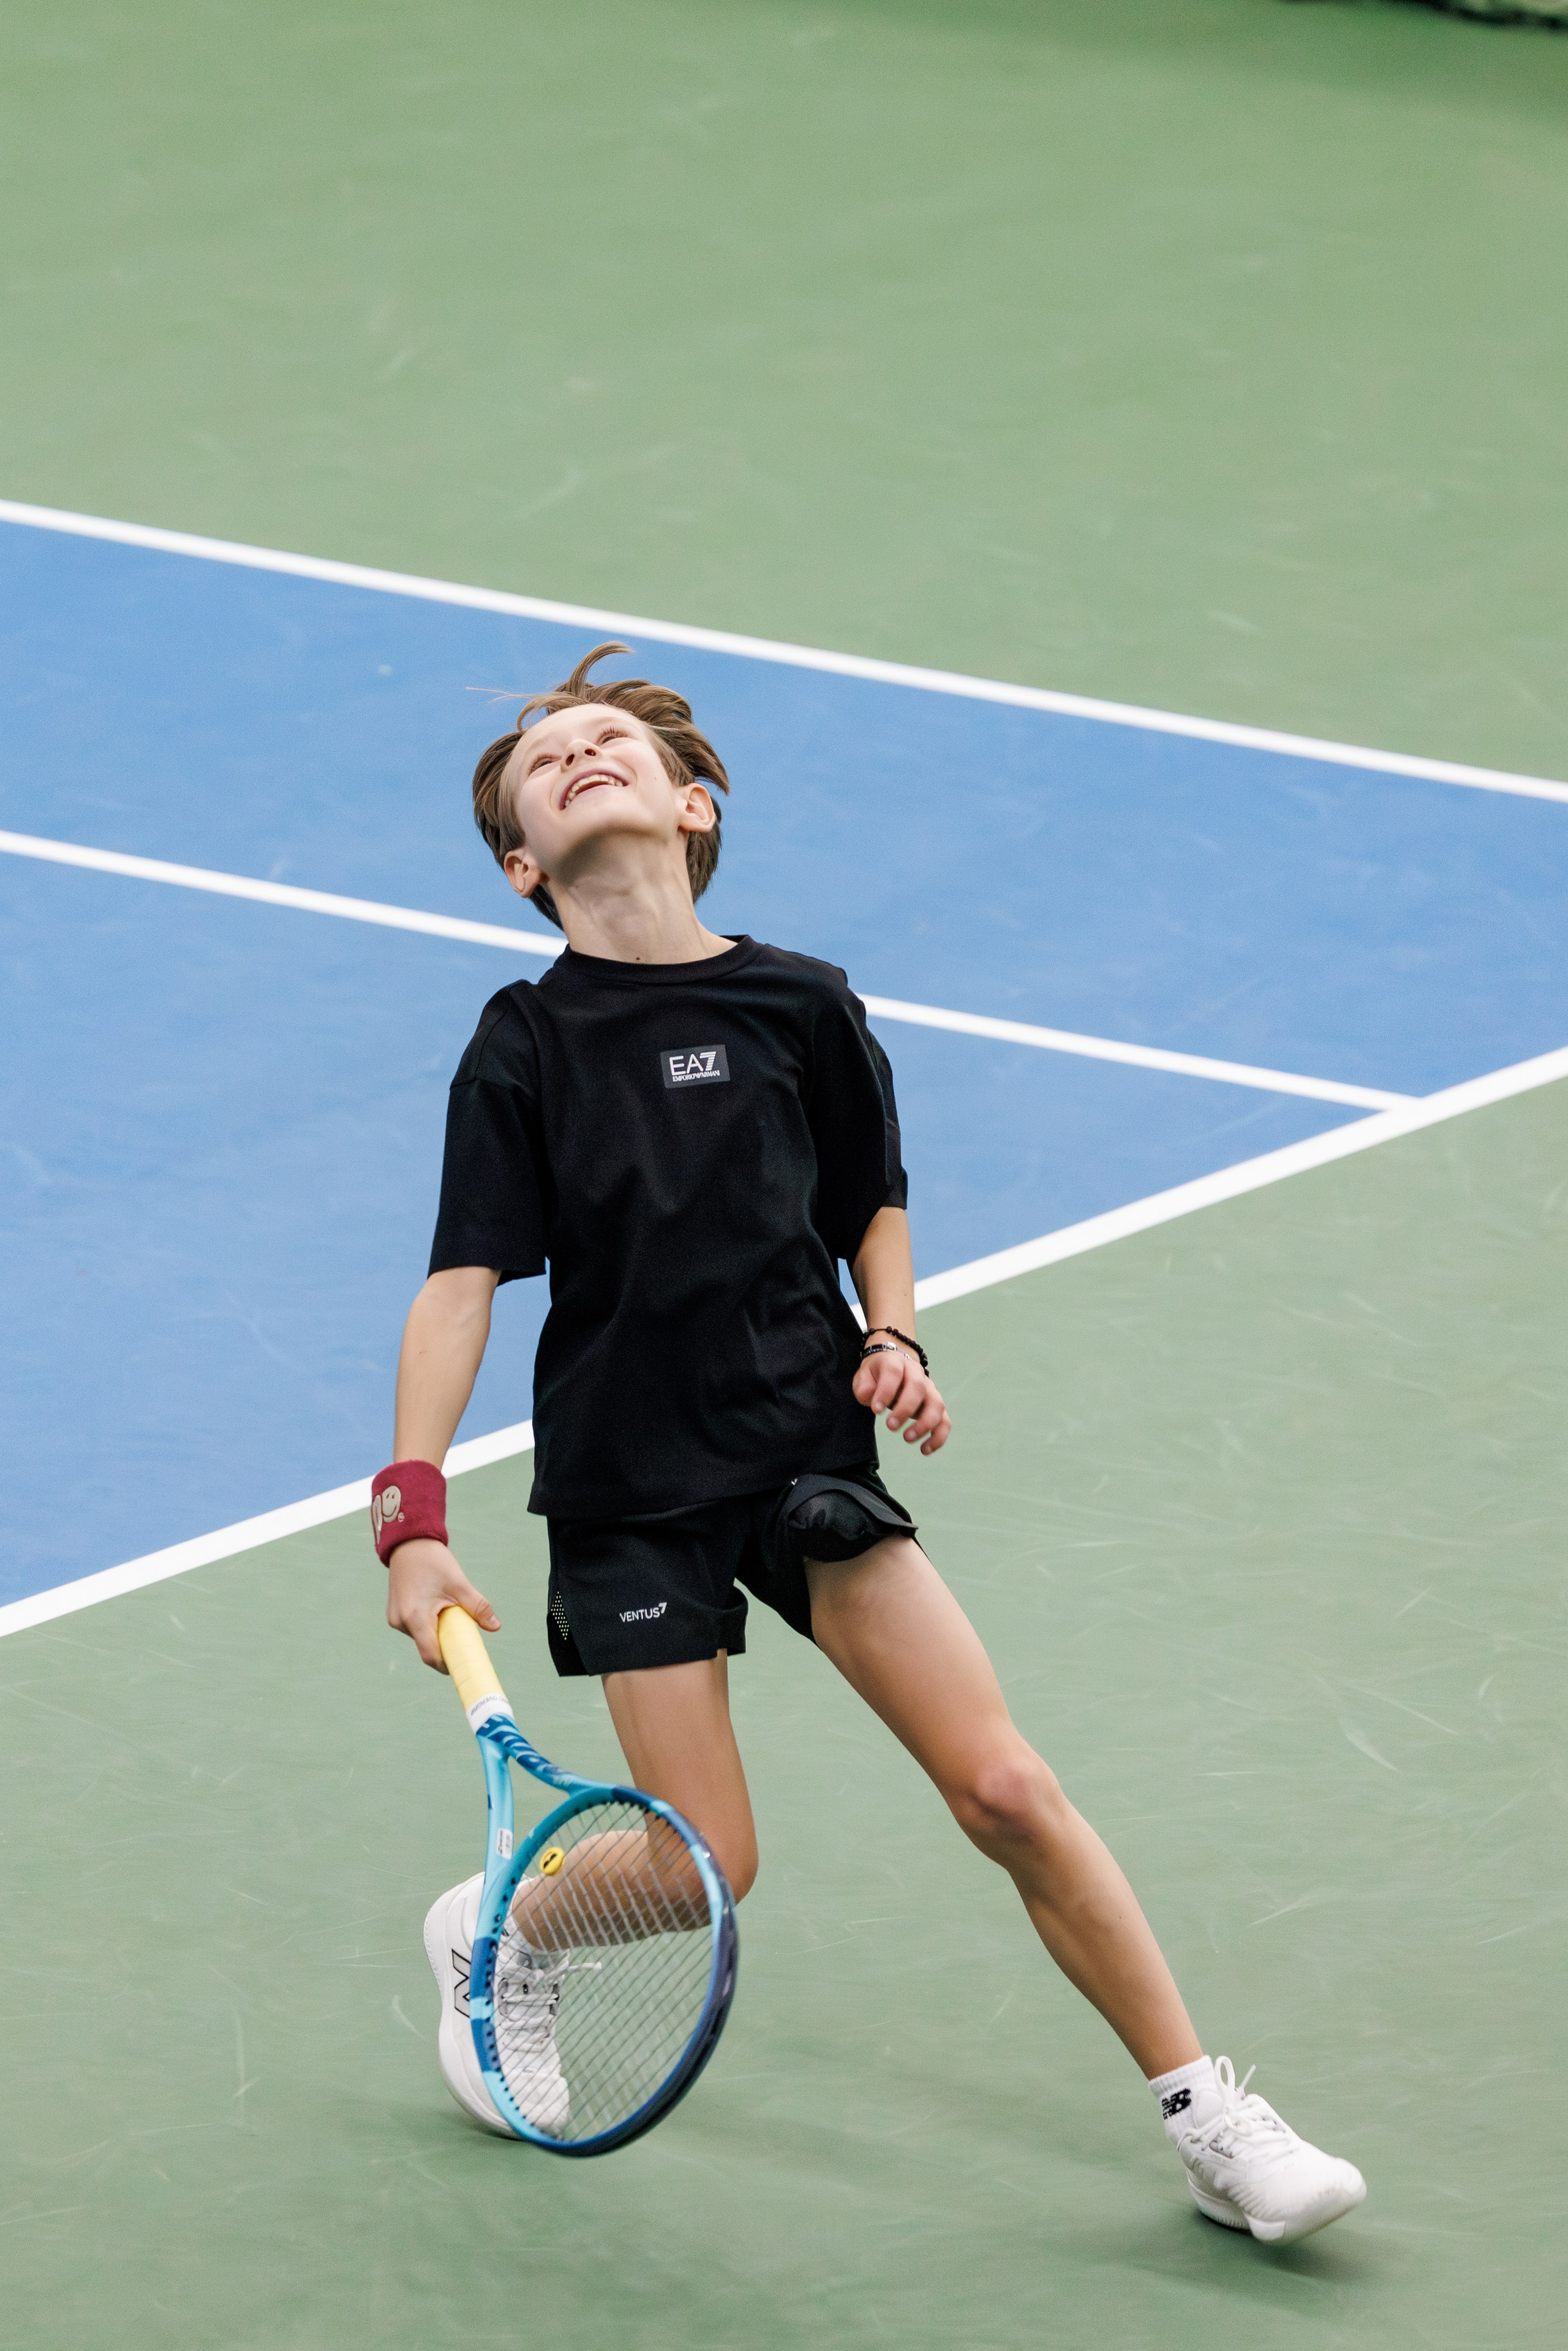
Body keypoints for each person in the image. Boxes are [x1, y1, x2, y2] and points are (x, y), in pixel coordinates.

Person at [374, 643, 1365, 2242]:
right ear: (519, 864)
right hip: (631, 1486)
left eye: (612, 738)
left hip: (798, 1446)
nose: (581, 754)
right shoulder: (525, 1043)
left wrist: (891, 1339)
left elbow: (868, 1205)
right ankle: (508, 1935)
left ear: (690, 806)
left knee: (1007, 1790)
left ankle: (1211, 2117)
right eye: (545, 759)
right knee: (711, 1872)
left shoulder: (802, 1003)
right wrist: (413, 1514)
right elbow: (460, 1284)